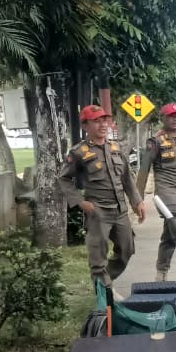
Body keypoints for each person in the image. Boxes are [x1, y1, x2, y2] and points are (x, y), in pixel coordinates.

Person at [60, 104, 146, 287]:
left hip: (120, 210)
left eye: (104, 120)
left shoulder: (115, 148)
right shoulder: (79, 153)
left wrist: (137, 201)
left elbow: (127, 178)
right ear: (85, 126)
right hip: (98, 212)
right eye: (96, 121)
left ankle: (105, 281)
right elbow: (64, 179)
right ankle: (104, 295)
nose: (102, 125)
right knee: (98, 257)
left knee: (127, 250)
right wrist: (80, 202)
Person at [137, 103, 176, 281]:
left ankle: (161, 274)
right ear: (163, 118)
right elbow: (144, 170)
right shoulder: (155, 142)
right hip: (166, 192)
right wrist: (138, 200)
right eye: (171, 116)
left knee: (169, 235)